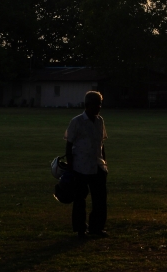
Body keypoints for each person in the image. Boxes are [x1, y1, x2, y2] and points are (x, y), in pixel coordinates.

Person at [65, 90, 108, 238]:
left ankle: (96, 228)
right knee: (80, 200)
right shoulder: (76, 122)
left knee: (100, 200)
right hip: (80, 166)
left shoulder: (100, 121)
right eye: (96, 105)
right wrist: (70, 167)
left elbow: (101, 144)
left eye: (100, 104)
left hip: (97, 165)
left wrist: (105, 164)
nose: (99, 108)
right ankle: (80, 229)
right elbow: (69, 145)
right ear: (88, 105)